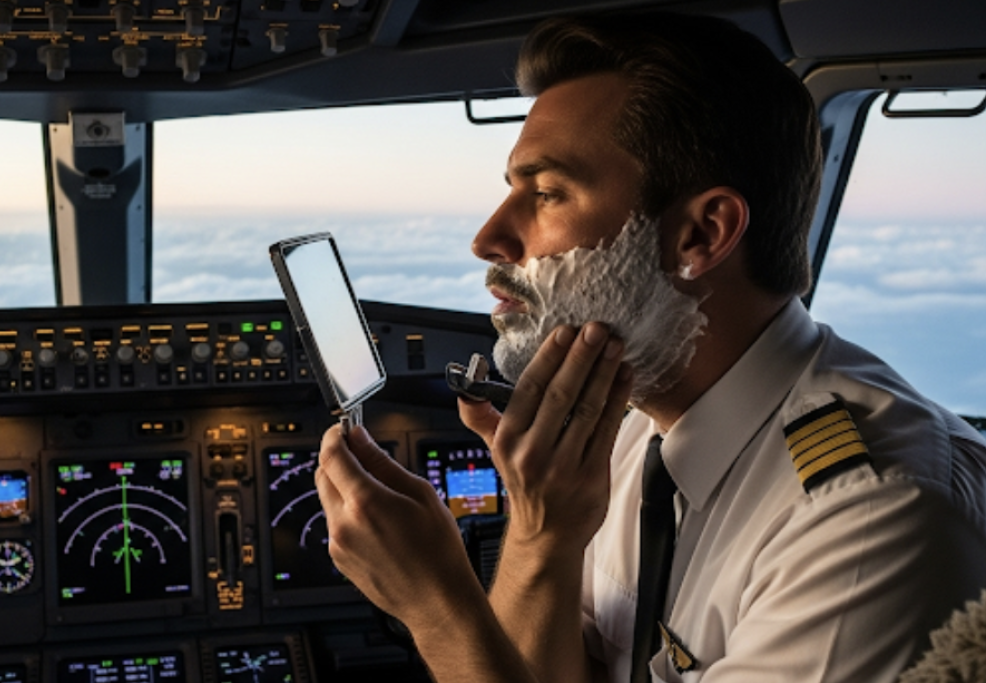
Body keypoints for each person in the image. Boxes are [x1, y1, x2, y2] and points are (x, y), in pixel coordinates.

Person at [314, 12, 986, 683]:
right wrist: (539, 525)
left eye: (547, 192)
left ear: (701, 235)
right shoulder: (635, 422)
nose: (489, 237)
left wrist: (434, 605)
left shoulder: (867, 523)